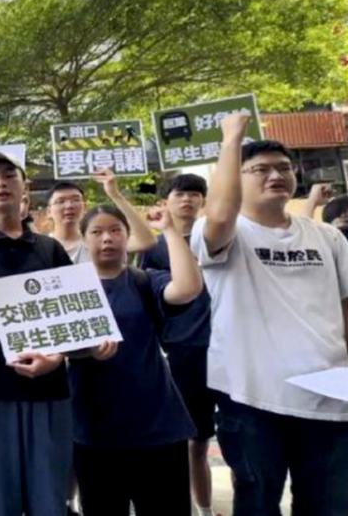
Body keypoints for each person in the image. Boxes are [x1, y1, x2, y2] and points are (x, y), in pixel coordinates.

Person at [192, 113, 348, 515]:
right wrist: (232, 139)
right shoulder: (224, 233)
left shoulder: (328, 237)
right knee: (257, 502)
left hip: (328, 395)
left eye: (283, 168)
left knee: (328, 504)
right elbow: (221, 215)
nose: (274, 175)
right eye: (259, 169)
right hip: (251, 397)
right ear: (236, 179)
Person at [0, 152, 112, 514]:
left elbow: (74, 319)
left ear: (25, 190)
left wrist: (58, 357)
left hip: (48, 393)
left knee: (48, 496)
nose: (1, 182)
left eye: (8, 175)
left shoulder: (49, 250)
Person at [71, 204, 201, 515]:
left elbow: (187, 288)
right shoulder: (68, 290)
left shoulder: (145, 280)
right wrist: (85, 350)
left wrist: (168, 230)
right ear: (83, 240)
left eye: (115, 231)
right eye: (97, 232)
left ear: (128, 237)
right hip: (93, 431)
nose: (107, 239)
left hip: (157, 427)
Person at [139, 173, 216, 516]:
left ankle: (207, 506)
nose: (187, 200)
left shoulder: (218, 238)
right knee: (191, 440)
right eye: (180, 194)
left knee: (234, 437)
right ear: (165, 202)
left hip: (228, 348)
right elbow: (149, 301)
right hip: (181, 351)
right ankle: (194, 507)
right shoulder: (154, 249)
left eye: (195, 194)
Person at [46, 172, 157, 264]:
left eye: (76, 200)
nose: (69, 206)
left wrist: (115, 194)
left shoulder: (100, 241)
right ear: (48, 212)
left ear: (85, 207)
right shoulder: (40, 247)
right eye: (60, 201)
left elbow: (146, 241)